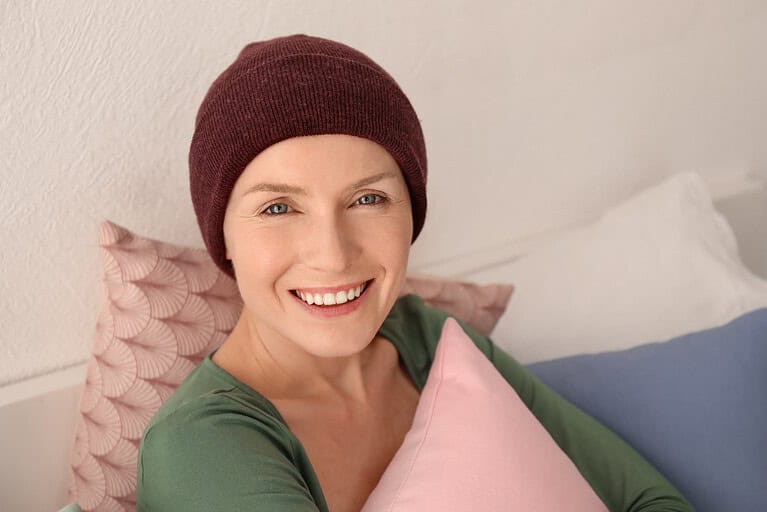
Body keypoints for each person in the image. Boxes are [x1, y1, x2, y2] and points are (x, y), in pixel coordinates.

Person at [136, 34, 693, 512]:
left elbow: (649, 501)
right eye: (278, 208)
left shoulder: (427, 339)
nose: (332, 255)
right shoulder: (199, 446)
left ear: (412, 215)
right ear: (223, 237)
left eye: (369, 198)